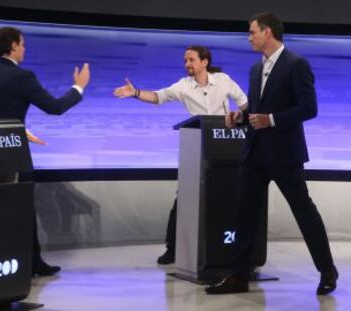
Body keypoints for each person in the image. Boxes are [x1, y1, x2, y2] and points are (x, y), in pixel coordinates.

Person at [206, 12, 338, 295]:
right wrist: (240, 116)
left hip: (285, 154)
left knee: (303, 211)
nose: (249, 37)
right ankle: (238, 276)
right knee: (245, 214)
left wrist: (272, 120)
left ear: (268, 33)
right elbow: (256, 105)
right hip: (254, 152)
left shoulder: (296, 64)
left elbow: (309, 108)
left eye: (252, 32)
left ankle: (327, 270)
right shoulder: (256, 69)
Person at [0, 26, 90, 277]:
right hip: (13, 156)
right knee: (21, 208)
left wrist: (8, 130)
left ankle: (17, 263)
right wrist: (78, 87)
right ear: (12, 46)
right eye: (22, 44)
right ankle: (30, 263)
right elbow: (54, 107)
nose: (24, 49)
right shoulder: (22, 76)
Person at [114, 45, 247, 264]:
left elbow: (244, 104)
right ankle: (173, 248)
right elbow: (159, 97)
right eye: (185, 61)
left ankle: (230, 245)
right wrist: (136, 93)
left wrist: (238, 116)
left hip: (225, 146)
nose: (187, 64)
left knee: (227, 197)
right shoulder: (183, 86)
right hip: (197, 147)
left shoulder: (223, 80)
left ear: (204, 62)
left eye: (191, 60)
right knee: (184, 198)